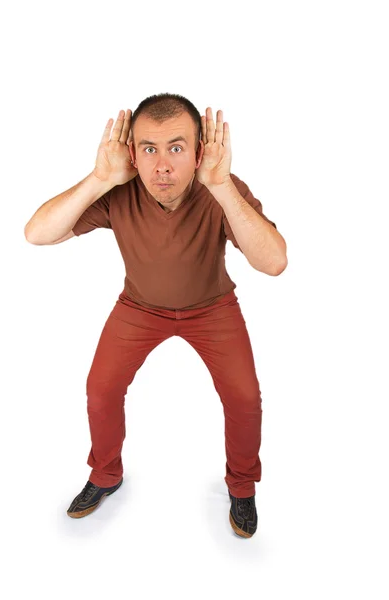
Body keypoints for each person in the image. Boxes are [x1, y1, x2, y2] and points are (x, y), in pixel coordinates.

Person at [24, 93, 287, 538]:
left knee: (245, 399)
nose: (162, 166)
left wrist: (222, 187)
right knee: (100, 389)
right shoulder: (119, 190)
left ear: (200, 151)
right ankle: (106, 474)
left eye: (176, 148)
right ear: (133, 153)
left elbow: (274, 262)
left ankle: (242, 486)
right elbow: (37, 233)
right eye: (149, 149)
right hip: (139, 308)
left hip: (213, 308)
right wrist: (99, 177)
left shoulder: (222, 188)